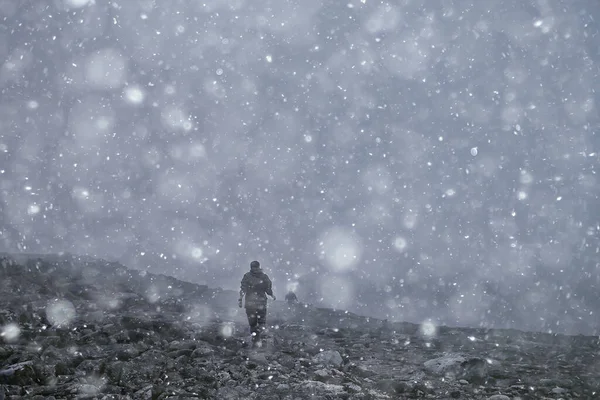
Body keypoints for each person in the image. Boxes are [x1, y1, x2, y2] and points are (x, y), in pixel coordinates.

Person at [238, 261, 275, 346]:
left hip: (256, 303)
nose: (254, 269)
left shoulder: (257, 276)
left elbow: (268, 288)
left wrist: (272, 294)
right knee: (256, 323)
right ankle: (258, 341)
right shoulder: (251, 276)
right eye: (253, 267)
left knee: (258, 323)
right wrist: (240, 299)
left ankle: (259, 341)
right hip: (255, 303)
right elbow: (243, 289)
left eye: (255, 267)